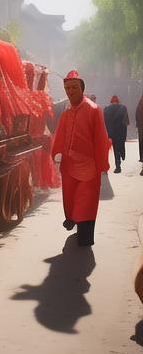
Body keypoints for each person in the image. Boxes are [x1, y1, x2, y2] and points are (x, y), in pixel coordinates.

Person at [51, 70, 110, 246]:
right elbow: (59, 135)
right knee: (70, 197)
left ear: (81, 89)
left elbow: (101, 139)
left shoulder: (93, 110)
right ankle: (72, 220)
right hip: (69, 165)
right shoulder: (66, 112)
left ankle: (85, 237)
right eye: (67, 87)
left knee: (87, 201)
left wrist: (102, 166)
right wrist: (56, 154)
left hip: (88, 165)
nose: (70, 91)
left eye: (74, 87)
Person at [103, 95, 129, 173]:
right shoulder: (123, 108)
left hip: (112, 132)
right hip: (121, 132)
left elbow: (104, 122)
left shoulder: (106, 109)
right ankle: (122, 154)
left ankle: (118, 166)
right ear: (118, 101)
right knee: (121, 145)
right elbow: (126, 121)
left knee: (115, 149)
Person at [136, 94, 143, 167]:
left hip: (141, 128)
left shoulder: (139, 104)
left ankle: (141, 158)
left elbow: (136, 115)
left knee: (141, 143)